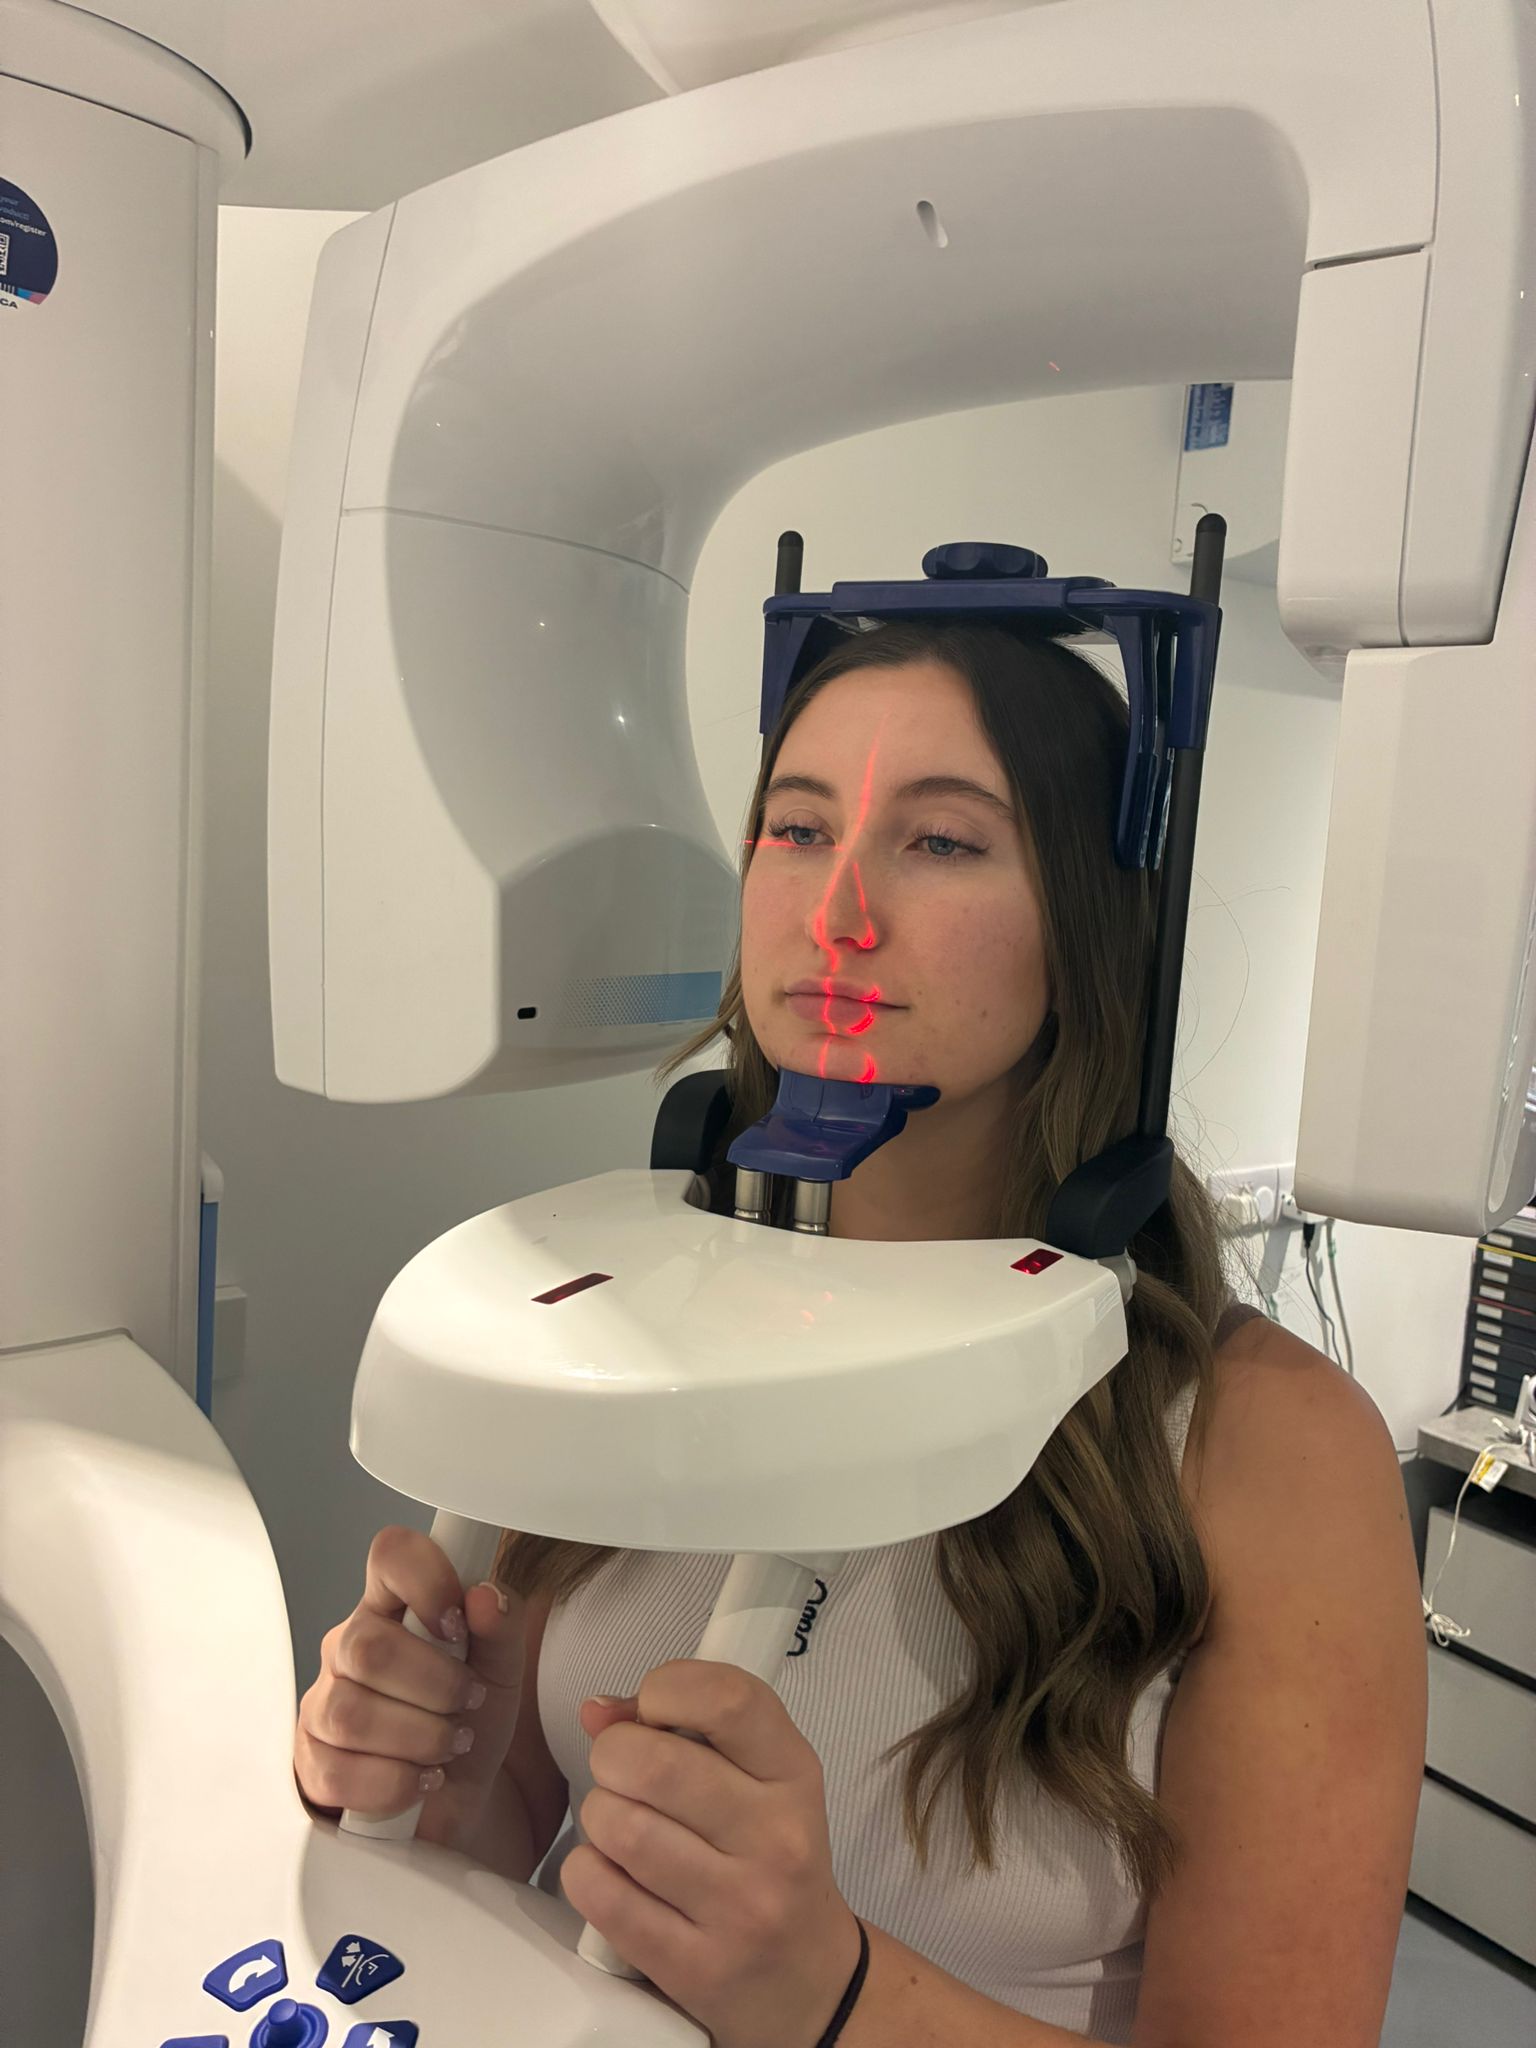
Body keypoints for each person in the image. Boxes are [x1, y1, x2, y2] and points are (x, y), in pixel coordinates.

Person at [294, 619, 1427, 2048]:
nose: (835, 913)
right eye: (795, 827)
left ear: (1089, 929)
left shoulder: (1265, 1444)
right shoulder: (623, 1322)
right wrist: (401, 1763)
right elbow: (513, 1826)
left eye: (942, 842)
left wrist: (828, 1992)